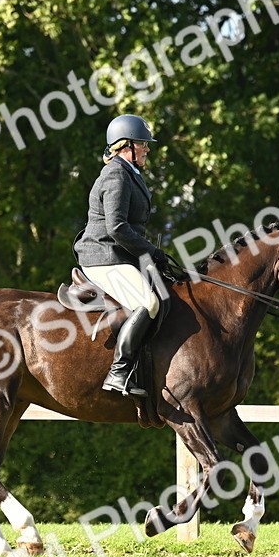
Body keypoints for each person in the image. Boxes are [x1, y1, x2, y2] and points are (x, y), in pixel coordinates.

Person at [73, 114, 181, 397]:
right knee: (149, 303)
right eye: (143, 144)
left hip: (118, 255)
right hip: (102, 255)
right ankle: (119, 372)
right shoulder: (116, 175)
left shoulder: (130, 174)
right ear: (126, 146)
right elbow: (117, 228)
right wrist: (151, 252)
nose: (147, 149)